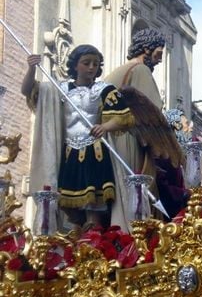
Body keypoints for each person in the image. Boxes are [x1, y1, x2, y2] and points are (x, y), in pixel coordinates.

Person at [22, 45, 134, 228]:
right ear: (75, 65)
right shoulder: (59, 88)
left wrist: (105, 126)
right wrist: (32, 68)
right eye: (86, 63)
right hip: (69, 151)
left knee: (93, 204)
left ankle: (93, 237)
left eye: (95, 64)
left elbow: (124, 116)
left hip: (94, 151)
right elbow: (29, 91)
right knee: (69, 206)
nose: (91, 67)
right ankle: (75, 237)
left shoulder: (104, 89)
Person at [105, 28, 183, 228]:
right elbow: (154, 110)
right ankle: (134, 234)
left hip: (111, 140)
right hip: (131, 138)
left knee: (121, 187)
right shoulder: (140, 70)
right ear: (146, 49)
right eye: (158, 54)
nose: (158, 60)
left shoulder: (115, 73)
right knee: (137, 188)